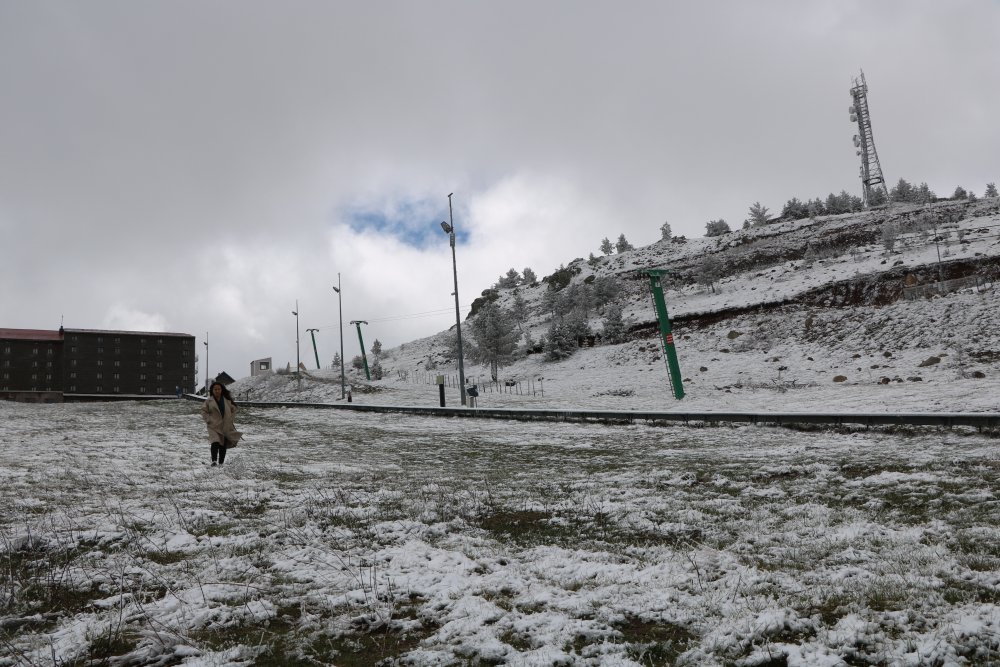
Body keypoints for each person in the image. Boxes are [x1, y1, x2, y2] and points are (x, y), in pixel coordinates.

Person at [200, 381, 242, 466]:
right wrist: (208, 419)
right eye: (215, 389)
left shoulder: (227, 400)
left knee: (223, 444)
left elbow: (234, 409)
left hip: (225, 426)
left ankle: (221, 462)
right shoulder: (209, 401)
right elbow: (204, 411)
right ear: (212, 390)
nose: (217, 391)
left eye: (219, 389)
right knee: (215, 442)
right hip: (213, 425)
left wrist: (230, 419)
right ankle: (214, 461)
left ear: (222, 390)